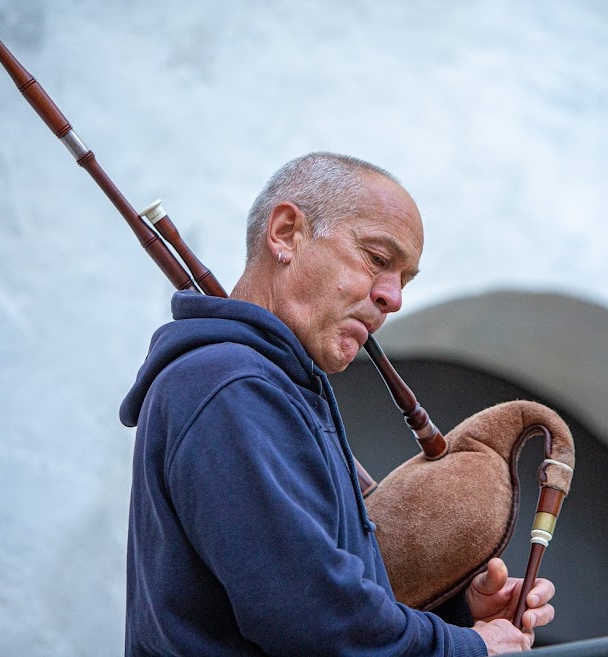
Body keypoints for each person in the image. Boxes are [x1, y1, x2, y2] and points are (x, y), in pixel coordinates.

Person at [120, 152, 555, 656]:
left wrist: (457, 616)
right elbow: (315, 618)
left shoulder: (262, 385)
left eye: (404, 279)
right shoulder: (231, 385)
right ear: (285, 232)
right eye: (377, 258)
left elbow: (322, 596)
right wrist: (465, 649)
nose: (392, 298)